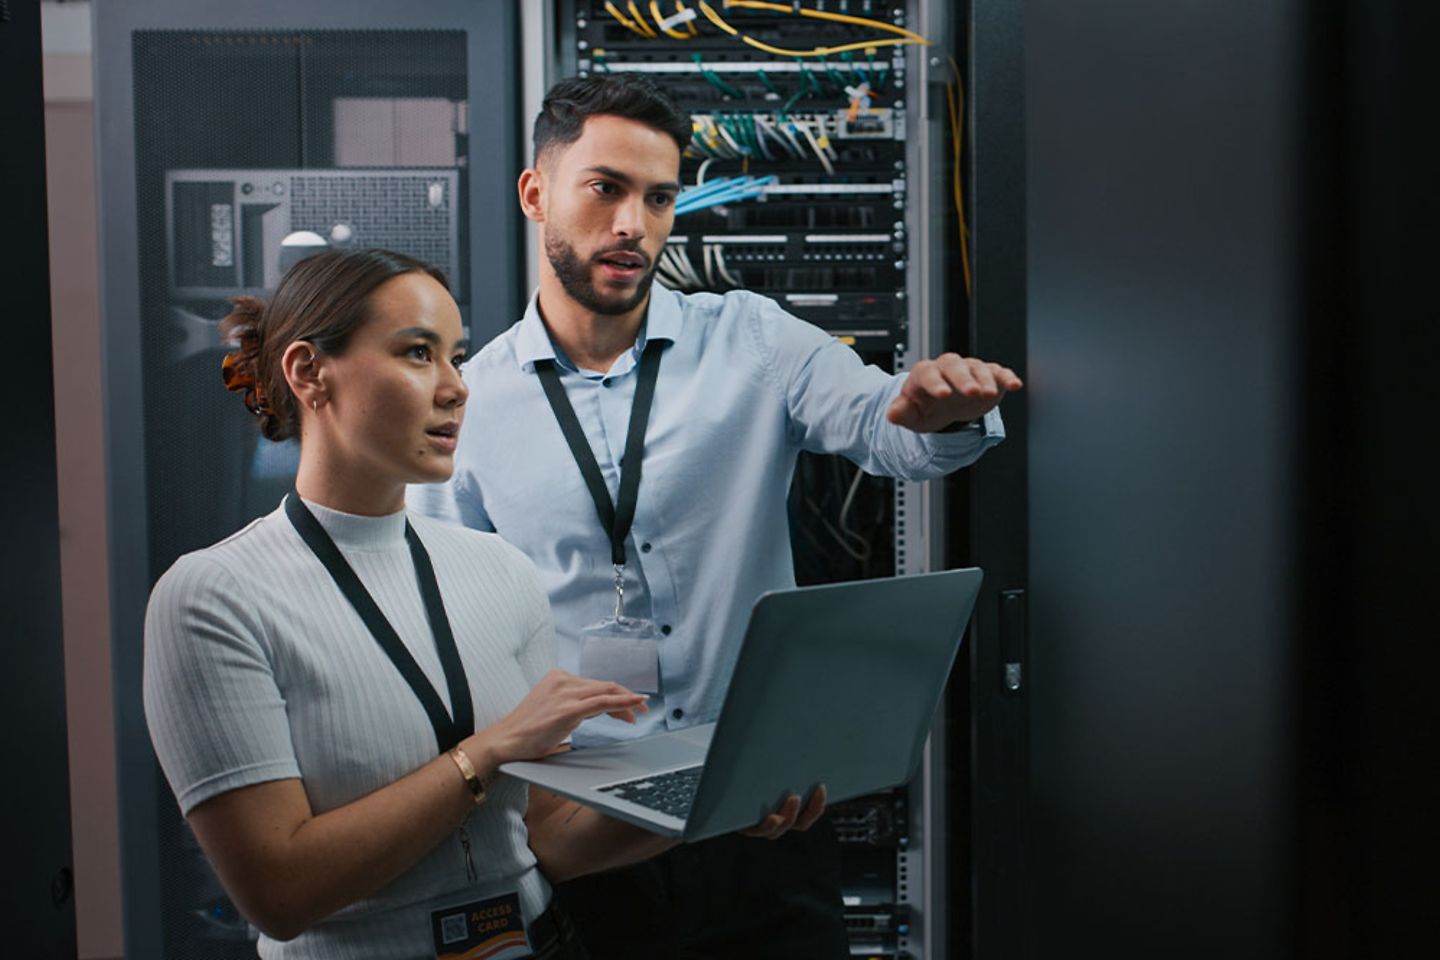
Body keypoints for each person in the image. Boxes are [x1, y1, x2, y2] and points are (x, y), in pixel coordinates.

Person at [409, 75, 1023, 958]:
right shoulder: (472, 402)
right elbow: (454, 628)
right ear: (535, 193)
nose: (635, 224)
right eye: (606, 188)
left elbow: (890, 431)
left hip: (762, 811)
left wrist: (941, 410)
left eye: (660, 198)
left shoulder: (752, 340)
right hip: (587, 825)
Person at [142, 248, 822, 960]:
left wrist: (721, 799)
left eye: (457, 358)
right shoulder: (213, 598)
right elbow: (279, 894)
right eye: (416, 354)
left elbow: (548, 839)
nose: (455, 388)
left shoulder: (500, 570)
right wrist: (487, 753)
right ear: (310, 372)